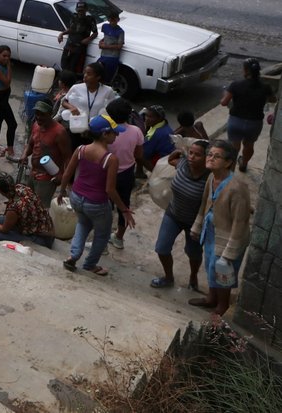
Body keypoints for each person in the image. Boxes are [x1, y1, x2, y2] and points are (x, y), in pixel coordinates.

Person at [58, 115, 135, 276]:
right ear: (105, 134)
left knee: (82, 224)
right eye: (114, 132)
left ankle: (73, 255)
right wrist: (125, 210)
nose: (117, 135)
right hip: (97, 203)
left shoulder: (81, 150)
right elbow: (110, 190)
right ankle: (90, 264)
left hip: (77, 197)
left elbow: (67, 174)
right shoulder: (110, 159)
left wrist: (61, 191)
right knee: (102, 235)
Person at [188, 140, 251, 316]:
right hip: (211, 231)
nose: (211, 159)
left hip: (229, 237)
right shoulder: (211, 178)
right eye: (210, 155)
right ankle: (211, 298)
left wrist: (230, 252)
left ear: (228, 162)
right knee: (210, 267)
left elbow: (240, 223)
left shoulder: (237, 188)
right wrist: (197, 226)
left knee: (223, 272)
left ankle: (221, 306)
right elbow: (204, 204)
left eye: (217, 156)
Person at [150, 139, 209, 290]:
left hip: (195, 222)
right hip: (173, 214)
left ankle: (193, 276)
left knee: (193, 253)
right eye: (190, 153)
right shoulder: (182, 163)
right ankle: (168, 277)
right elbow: (171, 160)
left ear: (206, 158)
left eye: (197, 155)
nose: (192, 157)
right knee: (162, 248)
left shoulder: (210, 177)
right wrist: (180, 151)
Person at [222, 58, 276, 172]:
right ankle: (244, 164)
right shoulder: (265, 87)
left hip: (236, 121)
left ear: (246, 71)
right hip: (254, 123)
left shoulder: (236, 84)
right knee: (249, 145)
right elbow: (273, 99)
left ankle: (230, 171)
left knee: (234, 147)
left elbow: (224, 102)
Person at [0, 172, 55, 248]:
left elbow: (4, 230)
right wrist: (1, 189)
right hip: (43, 227)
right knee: (0, 220)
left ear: (1, 190)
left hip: (42, 238)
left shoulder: (14, 208)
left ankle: (29, 242)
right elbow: (11, 194)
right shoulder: (21, 187)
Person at [104, 99, 143, 251]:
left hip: (107, 172)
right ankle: (119, 238)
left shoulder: (106, 132)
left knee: (105, 206)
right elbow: (139, 154)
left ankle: (103, 237)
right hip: (127, 173)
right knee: (124, 206)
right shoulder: (136, 131)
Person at [22, 99, 70, 208]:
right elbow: (30, 145)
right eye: (37, 114)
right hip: (33, 173)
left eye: (42, 114)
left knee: (40, 208)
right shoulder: (36, 125)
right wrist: (24, 155)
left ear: (50, 114)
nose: (38, 117)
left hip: (48, 178)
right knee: (27, 203)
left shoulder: (59, 132)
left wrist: (62, 177)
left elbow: (68, 157)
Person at [0, 45, 18, 160]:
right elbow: (7, 82)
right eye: (4, 56)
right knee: (12, 124)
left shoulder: (2, 65)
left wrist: (7, 65)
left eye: (8, 56)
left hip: (3, 96)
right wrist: (9, 66)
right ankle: (10, 149)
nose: (6, 58)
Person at [57, 1, 98, 73]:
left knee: (74, 68)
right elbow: (71, 29)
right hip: (68, 46)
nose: (80, 12)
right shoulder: (73, 17)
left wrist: (88, 39)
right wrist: (62, 34)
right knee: (64, 66)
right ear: (76, 10)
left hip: (79, 48)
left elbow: (95, 33)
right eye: (79, 10)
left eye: (82, 10)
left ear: (86, 10)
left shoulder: (90, 20)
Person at [140, 104, 175, 170]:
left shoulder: (156, 134)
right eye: (146, 115)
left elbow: (146, 153)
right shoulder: (164, 124)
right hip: (168, 155)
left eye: (150, 117)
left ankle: (154, 173)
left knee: (139, 154)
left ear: (160, 118)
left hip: (163, 161)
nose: (146, 119)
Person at [97, 11, 124, 85]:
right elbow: (106, 37)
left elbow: (119, 46)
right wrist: (101, 41)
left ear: (118, 20)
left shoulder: (120, 31)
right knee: (97, 72)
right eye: (110, 20)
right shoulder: (105, 26)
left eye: (114, 20)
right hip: (103, 55)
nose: (112, 22)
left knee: (108, 78)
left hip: (112, 57)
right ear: (108, 20)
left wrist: (105, 46)